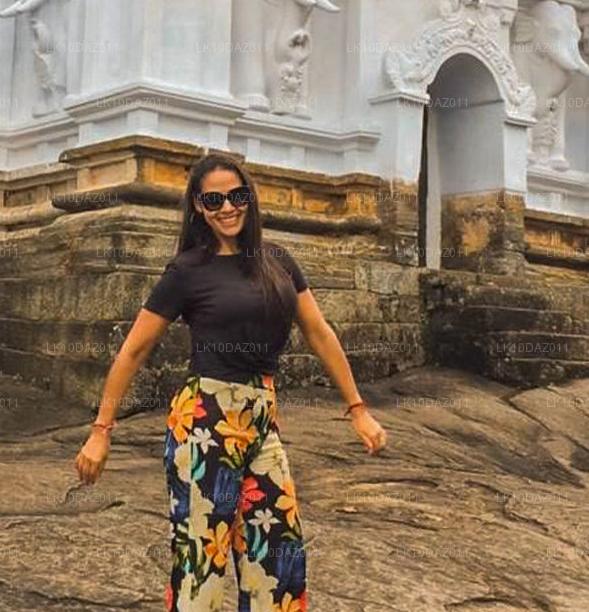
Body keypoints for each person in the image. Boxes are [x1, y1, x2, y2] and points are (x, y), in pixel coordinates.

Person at [74, 153, 387, 611]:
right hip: (204, 423)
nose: (227, 207)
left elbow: (319, 333)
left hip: (262, 422)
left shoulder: (277, 260)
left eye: (236, 196)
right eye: (214, 200)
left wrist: (358, 408)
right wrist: (101, 431)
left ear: (249, 197)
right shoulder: (187, 271)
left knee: (279, 560)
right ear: (198, 207)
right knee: (201, 562)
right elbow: (134, 350)